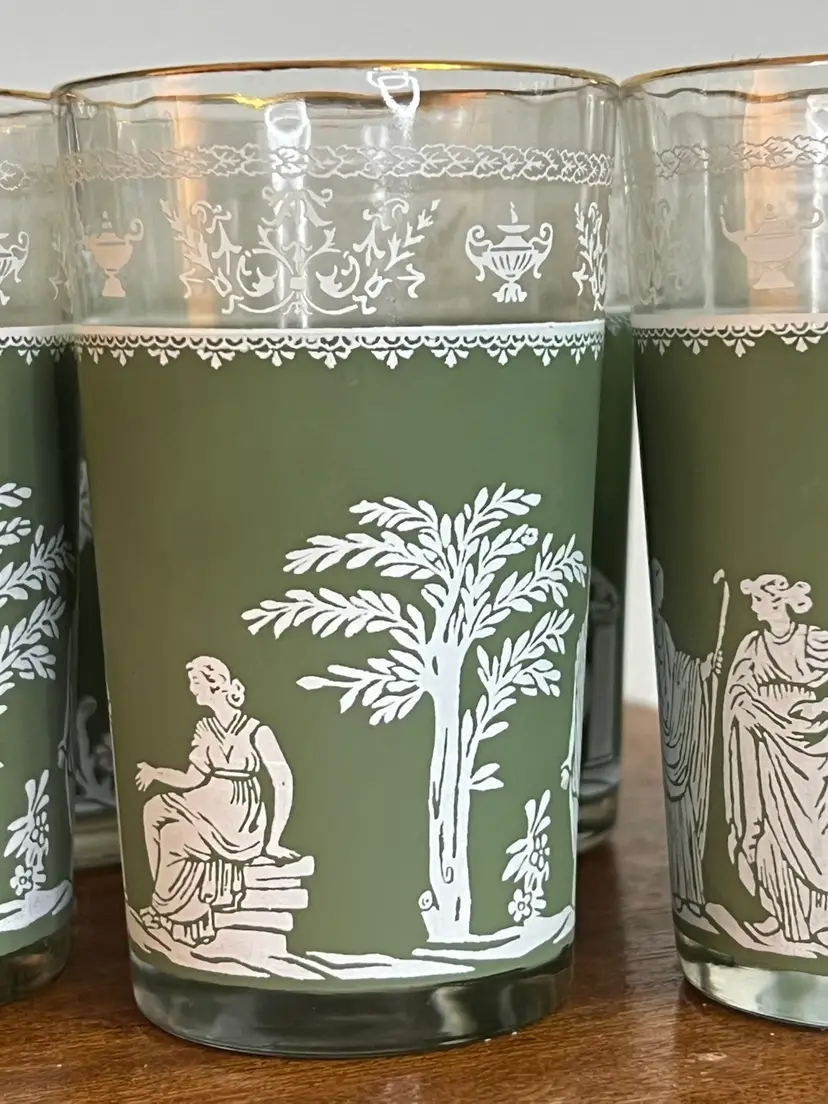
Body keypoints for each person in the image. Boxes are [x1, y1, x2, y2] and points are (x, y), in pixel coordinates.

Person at [135, 656, 297, 946]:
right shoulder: (205, 727)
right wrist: (156, 773)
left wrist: (274, 841)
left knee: (174, 836)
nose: (192, 689)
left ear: (215, 684)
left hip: (239, 814)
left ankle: (167, 912)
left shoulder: (256, 731)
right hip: (206, 799)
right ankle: (169, 898)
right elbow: (192, 778)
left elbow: (282, 780)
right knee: (153, 809)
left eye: (196, 682)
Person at [723, 575, 828, 946]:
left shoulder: (813, 640)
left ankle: (819, 920)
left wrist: (817, 708)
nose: (753, 609)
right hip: (765, 745)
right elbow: (736, 691)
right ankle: (787, 919)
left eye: (759, 601)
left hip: (809, 745)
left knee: (815, 831)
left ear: (778, 602)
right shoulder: (753, 645)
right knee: (768, 829)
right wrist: (747, 709)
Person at [651, 560, 721, 917]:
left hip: (681, 732)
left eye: (660, 581)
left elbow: (678, 667)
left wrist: (698, 669)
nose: (660, 589)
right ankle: (688, 896)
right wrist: (698, 670)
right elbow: (675, 674)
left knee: (690, 814)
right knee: (684, 813)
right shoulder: (661, 627)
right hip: (676, 736)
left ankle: (693, 896)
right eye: (656, 581)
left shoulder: (663, 627)